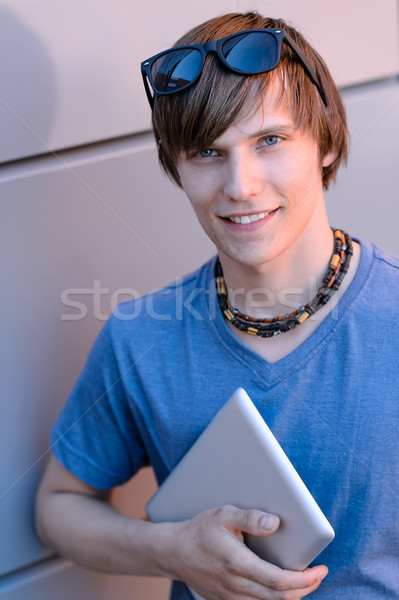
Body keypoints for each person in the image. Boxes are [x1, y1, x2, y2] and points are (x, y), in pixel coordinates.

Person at [35, 11, 399, 599]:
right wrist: (169, 550)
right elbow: (59, 506)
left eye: (270, 141)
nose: (241, 185)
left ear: (326, 144)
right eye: (207, 151)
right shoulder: (140, 337)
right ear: (177, 168)